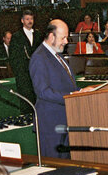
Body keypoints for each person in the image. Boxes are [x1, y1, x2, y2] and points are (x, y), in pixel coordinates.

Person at [29, 20, 96, 158]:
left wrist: (81, 91)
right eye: (63, 38)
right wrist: (72, 95)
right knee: (54, 170)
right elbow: (43, 91)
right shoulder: (39, 57)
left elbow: (66, 85)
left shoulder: (57, 55)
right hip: (50, 123)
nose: (66, 41)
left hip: (66, 119)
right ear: (51, 36)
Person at [8, 10, 42, 104]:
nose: (30, 21)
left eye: (31, 19)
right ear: (22, 21)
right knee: (26, 100)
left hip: (37, 74)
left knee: (38, 99)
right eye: (27, 19)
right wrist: (20, 73)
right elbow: (13, 57)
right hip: (23, 75)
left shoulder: (38, 35)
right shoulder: (16, 36)